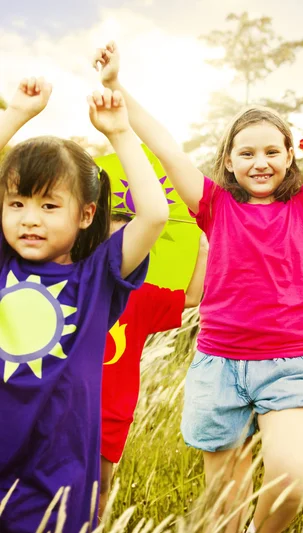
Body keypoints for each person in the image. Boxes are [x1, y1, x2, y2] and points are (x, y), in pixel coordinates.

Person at [92, 9, 303, 533]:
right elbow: (166, 147)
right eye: (247, 153)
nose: (261, 161)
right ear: (228, 161)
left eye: (273, 151)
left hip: (288, 364)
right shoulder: (213, 205)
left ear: (291, 158)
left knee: (292, 477)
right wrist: (118, 88)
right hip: (219, 366)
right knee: (221, 511)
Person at [0, 78, 168, 532]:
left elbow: (154, 215)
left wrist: (119, 132)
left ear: (86, 214)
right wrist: (15, 116)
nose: (30, 218)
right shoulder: (2, 264)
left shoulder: (96, 279)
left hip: (59, 477)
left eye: (50, 205)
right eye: (17, 203)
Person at [99, 215, 209, 517]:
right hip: (68, 405)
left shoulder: (141, 295)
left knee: (99, 486)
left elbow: (191, 298)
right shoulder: (76, 287)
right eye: (107, 241)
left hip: (112, 411)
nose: (116, 250)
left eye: (127, 243)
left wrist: (202, 249)